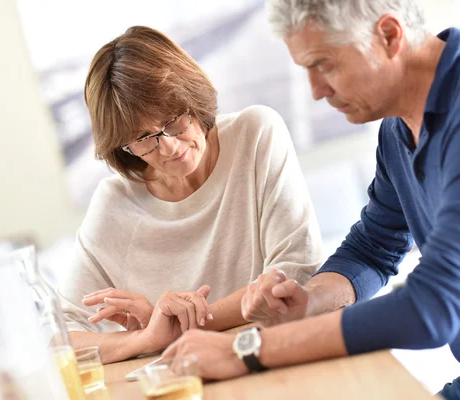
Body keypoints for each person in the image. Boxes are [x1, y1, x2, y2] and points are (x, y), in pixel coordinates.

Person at [161, 1, 460, 399]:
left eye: (323, 65)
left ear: (388, 35)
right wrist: (310, 302)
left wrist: (248, 350)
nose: (315, 91)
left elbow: (434, 305)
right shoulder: (398, 131)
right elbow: (374, 247)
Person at [58, 26, 323, 364]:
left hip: (277, 359)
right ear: (124, 148)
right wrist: (145, 337)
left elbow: (296, 275)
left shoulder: (255, 134)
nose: (168, 146)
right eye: (142, 137)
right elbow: (57, 340)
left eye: (173, 120)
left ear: (192, 99)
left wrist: (183, 324)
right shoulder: (116, 202)